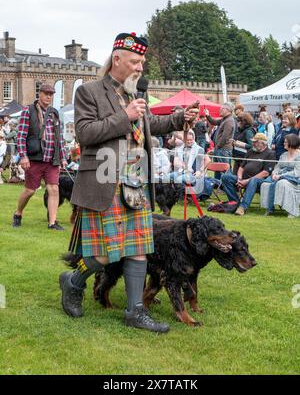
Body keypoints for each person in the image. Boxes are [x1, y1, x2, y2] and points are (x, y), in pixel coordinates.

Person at [59, 32, 199, 333]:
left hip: (136, 182)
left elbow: (148, 126)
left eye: (143, 62)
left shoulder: (137, 94)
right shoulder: (89, 91)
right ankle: (73, 281)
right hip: (104, 179)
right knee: (105, 252)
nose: (140, 67)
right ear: (117, 58)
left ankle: (135, 311)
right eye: (135, 61)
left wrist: (178, 119)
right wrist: (124, 115)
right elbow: (84, 133)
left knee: (138, 247)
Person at [12, 83, 67, 230]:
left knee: (54, 189)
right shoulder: (28, 111)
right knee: (30, 190)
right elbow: (21, 136)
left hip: (52, 159)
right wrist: (23, 156)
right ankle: (18, 213)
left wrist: (63, 157)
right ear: (39, 94)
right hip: (35, 158)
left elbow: (59, 138)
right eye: (46, 93)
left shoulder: (54, 113)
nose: (48, 96)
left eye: (51, 94)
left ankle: (52, 222)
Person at [221, 133, 276, 216]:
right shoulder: (251, 151)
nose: (253, 144)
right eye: (253, 142)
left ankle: (243, 207)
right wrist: (239, 178)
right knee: (225, 177)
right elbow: (241, 167)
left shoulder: (270, 154)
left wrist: (246, 181)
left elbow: (266, 173)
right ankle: (236, 203)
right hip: (243, 179)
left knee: (253, 180)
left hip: (259, 182)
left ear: (263, 143)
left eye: (255, 142)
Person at [260, 134, 300, 217]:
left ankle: (291, 210)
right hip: (280, 176)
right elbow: (277, 167)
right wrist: (274, 173)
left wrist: (281, 176)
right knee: (265, 184)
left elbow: (296, 172)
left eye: (285, 142)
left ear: (292, 143)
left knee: (282, 183)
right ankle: (269, 208)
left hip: (294, 180)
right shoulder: (284, 155)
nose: (283, 144)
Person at [204, 102, 235, 178]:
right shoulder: (225, 119)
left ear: (228, 110)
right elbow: (214, 122)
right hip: (221, 149)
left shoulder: (229, 121)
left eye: (222, 108)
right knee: (218, 169)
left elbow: (225, 138)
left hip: (223, 149)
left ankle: (227, 187)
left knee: (225, 170)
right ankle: (217, 184)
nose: (220, 110)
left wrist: (217, 147)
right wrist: (208, 115)